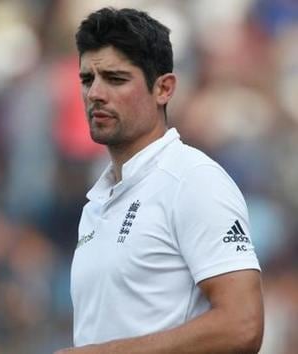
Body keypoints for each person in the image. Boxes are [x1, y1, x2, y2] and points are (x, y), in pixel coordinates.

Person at [55, 7, 263, 354]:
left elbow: (243, 325)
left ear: (164, 88)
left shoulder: (193, 180)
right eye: (88, 80)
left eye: (116, 79)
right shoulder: (98, 202)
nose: (95, 94)